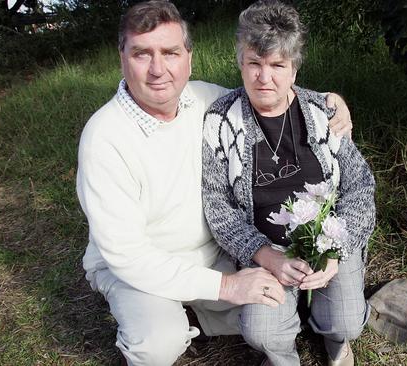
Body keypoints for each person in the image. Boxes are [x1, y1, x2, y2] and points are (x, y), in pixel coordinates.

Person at [75, 1, 353, 365]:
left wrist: (331, 102)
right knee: (159, 343)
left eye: (170, 52)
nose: (159, 70)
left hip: (210, 255)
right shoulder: (104, 138)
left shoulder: (206, 98)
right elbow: (127, 255)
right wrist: (228, 286)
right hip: (136, 269)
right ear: (122, 57)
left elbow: (271, 88)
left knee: (268, 315)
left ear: (188, 57)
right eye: (142, 54)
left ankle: (200, 313)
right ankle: (169, 321)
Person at [201, 1, 375, 365]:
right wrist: (264, 255)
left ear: (293, 69)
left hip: (330, 241)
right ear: (241, 64)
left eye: (278, 65)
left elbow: (360, 186)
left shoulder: (322, 112)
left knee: (345, 323)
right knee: (261, 332)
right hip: (268, 252)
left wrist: (336, 252)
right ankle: (282, 355)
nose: (265, 78)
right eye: (255, 64)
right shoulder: (220, 121)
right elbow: (217, 205)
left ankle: (336, 341)